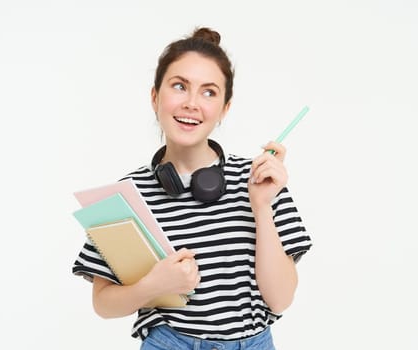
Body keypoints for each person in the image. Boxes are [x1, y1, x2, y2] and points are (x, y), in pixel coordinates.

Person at [72, 27, 312, 350]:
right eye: (180, 86)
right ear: (155, 96)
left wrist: (261, 207)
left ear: (225, 108)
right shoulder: (125, 196)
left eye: (209, 92)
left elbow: (281, 300)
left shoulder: (260, 180)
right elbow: (102, 303)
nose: (192, 104)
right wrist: (152, 286)